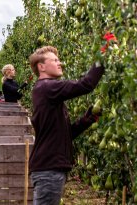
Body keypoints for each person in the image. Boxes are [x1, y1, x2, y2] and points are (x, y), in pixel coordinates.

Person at [28, 45, 106, 205]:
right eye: (55, 60)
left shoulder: (45, 91)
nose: (60, 63)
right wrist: (104, 54)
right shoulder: (47, 87)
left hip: (48, 167)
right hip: (48, 169)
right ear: (41, 66)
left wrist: (88, 118)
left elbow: (65, 134)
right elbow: (86, 85)